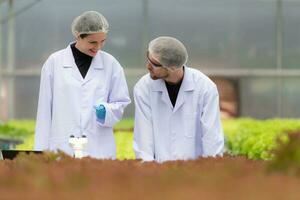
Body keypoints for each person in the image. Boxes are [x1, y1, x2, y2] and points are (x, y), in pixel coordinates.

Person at [34, 11, 131, 159]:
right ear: (78, 36)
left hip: (98, 147)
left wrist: (106, 111)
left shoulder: (111, 64)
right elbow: (44, 110)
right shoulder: (55, 62)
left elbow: (121, 102)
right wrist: (40, 153)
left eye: (102, 41)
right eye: (93, 42)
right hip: (62, 146)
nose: (98, 47)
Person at [133, 36, 224, 162]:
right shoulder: (144, 87)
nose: (148, 66)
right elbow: (143, 136)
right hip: (159, 171)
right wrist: (147, 171)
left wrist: (211, 170)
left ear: (172, 67)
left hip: (196, 170)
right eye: (148, 58)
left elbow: (212, 136)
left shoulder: (205, 88)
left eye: (154, 64)